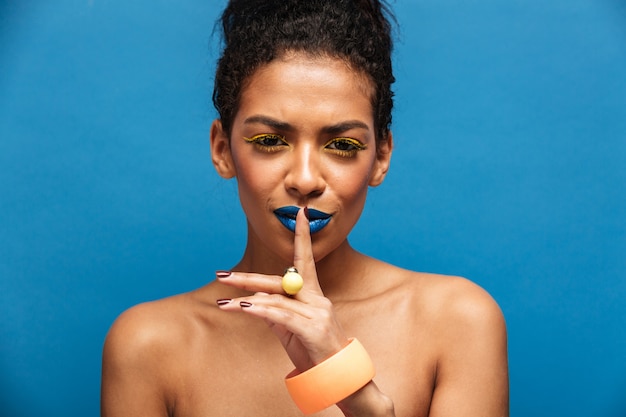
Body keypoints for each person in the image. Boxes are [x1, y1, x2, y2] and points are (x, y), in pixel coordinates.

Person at [101, 0, 509, 416]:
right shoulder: (148, 344)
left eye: (343, 146)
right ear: (222, 150)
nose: (306, 179)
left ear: (381, 157)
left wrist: (358, 395)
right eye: (269, 141)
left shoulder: (457, 322)